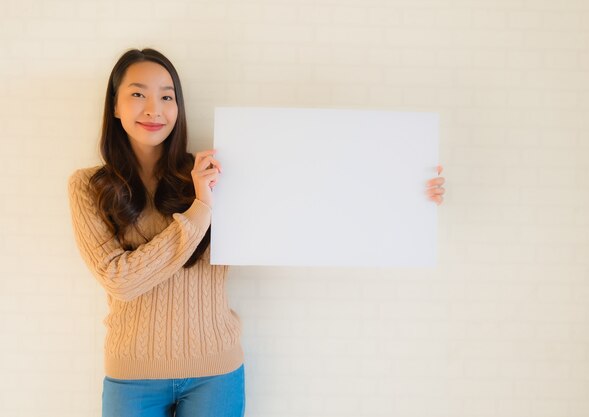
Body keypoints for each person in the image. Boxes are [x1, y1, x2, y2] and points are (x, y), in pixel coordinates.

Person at [68, 48, 445, 417]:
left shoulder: (211, 173)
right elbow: (120, 280)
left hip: (215, 372)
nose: (154, 108)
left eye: (167, 96)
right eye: (138, 94)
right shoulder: (88, 186)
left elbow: (313, 198)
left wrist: (408, 192)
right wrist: (201, 209)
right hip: (131, 377)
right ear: (115, 106)